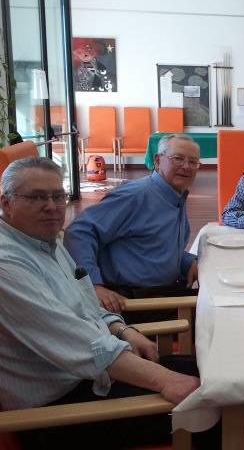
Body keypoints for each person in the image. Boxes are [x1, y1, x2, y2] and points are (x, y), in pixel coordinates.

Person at [0, 157, 218, 449]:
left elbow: (84, 303)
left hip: (98, 373)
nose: (51, 206)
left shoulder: (44, 241)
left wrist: (121, 329)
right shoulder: (7, 265)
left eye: (57, 196)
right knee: (216, 410)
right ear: (6, 203)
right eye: (37, 197)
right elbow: (76, 342)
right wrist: (165, 379)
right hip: (58, 411)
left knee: (215, 375)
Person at [64, 134, 200, 319]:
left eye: (193, 161)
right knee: (220, 312)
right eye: (178, 158)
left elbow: (153, 244)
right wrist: (92, 285)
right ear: (157, 160)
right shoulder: (135, 195)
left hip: (162, 292)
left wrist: (187, 261)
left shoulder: (175, 195)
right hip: (133, 301)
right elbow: (79, 232)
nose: (186, 166)